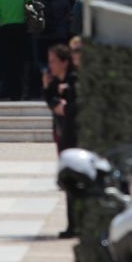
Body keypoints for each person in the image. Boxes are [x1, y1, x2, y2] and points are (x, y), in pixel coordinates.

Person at [42, 44, 79, 238]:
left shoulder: (74, 80)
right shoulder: (57, 81)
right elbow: (51, 100)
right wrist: (49, 90)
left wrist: (64, 107)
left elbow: (77, 105)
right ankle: (72, 225)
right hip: (64, 135)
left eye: (53, 61)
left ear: (65, 62)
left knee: (74, 182)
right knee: (68, 182)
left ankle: (75, 226)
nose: (50, 65)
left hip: (75, 136)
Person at [0, 0, 34, 100]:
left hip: (5, 31)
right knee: (21, 61)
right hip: (21, 30)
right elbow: (32, 7)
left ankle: (9, 90)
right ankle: (22, 91)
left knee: (8, 62)